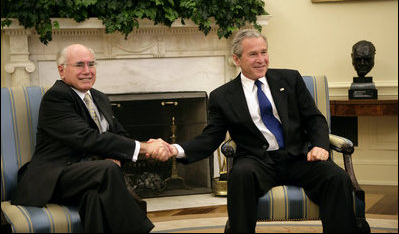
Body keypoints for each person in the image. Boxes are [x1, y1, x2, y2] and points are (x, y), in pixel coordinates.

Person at [167, 29, 358, 233]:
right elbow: (210, 137)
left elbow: (314, 118)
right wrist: (176, 150)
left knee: (336, 177)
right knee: (239, 175)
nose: (261, 60)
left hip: (299, 157)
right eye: (253, 54)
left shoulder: (290, 79)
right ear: (236, 59)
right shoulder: (222, 96)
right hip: (257, 161)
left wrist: (320, 146)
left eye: (264, 52)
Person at [11, 44, 171, 233]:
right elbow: (86, 138)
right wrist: (145, 148)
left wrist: (117, 156)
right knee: (107, 169)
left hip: (90, 176)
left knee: (94, 196)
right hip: (55, 175)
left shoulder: (99, 97)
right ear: (62, 70)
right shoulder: (57, 97)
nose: (87, 71)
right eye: (79, 65)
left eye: (91, 64)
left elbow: (119, 135)